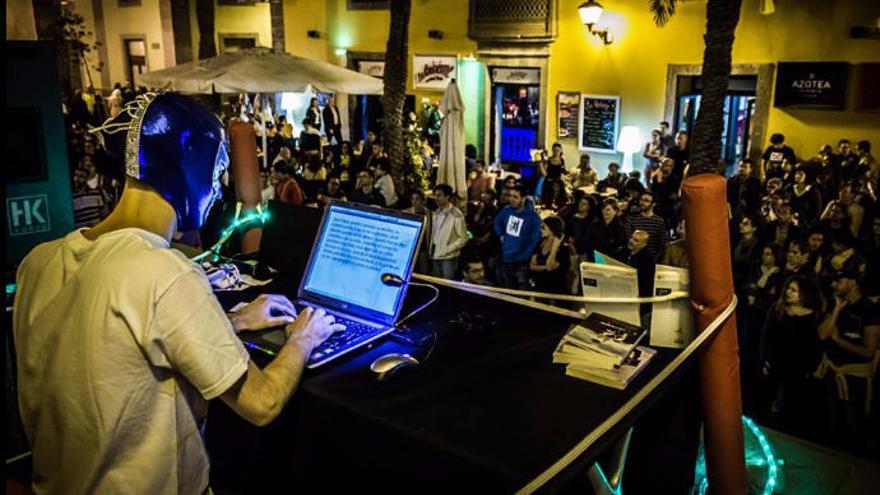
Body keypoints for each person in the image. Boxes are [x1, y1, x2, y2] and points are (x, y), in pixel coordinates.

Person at [13, 93, 343, 494]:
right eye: (216, 170)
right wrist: (303, 340)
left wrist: (233, 322)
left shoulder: (38, 262)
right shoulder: (164, 272)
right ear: (192, 168)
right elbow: (262, 404)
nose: (218, 190)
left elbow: (110, 347)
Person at [816, 268, 880, 453]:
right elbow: (822, 334)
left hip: (855, 377)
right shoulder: (834, 304)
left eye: (839, 281)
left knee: (854, 422)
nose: (833, 285)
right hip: (831, 369)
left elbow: (868, 351)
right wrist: (836, 309)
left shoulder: (870, 310)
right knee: (832, 419)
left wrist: (838, 340)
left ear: (852, 282)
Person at [759, 275, 822, 431]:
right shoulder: (777, 309)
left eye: (794, 290)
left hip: (799, 367)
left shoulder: (814, 316)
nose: (788, 292)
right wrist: (766, 359)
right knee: (768, 398)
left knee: (793, 404)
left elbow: (815, 344)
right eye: (788, 288)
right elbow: (767, 335)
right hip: (776, 362)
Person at [494, 184, 542, 290]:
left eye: (515, 197)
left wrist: (524, 255)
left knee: (521, 291)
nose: (511, 199)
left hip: (521, 262)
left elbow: (534, 240)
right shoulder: (506, 210)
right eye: (510, 196)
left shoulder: (533, 218)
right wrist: (501, 234)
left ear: (523, 198)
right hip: (505, 257)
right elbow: (497, 222)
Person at [428, 184, 468, 280]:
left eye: (439, 195)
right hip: (435, 253)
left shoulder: (456, 215)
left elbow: (463, 238)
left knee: (447, 282)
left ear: (447, 197)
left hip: (448, 257)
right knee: (437, 281)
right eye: (435, 195)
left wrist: (448, 248)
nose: (436, 198)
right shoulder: (436, 213)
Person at [576, 197, 628, 262]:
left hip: (610, 259)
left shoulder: (620, 228)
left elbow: (618, 246)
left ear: (615, 211)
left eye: (608, 210)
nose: (605, 212)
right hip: (593, 257)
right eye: (603, 209)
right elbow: (586, 240)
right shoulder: (595, 224)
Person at [625, 192, 668, 262]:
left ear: (654, 204)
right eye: (641, 199)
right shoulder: (631, 219)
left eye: (646, 201)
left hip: (653, 260)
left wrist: (656, 260)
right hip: (634, 260)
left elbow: (662, 244)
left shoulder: (659, 221)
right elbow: (628, 240)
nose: (642, 202)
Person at [530, 216, 568, 294]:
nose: (540, 230)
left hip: (555, 290)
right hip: (539, 287)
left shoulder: (563, 248)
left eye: (543, 227)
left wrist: (554, 247)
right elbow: (532, 266)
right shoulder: (540, 243)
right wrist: (545, 268)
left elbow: (550, 266)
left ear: (552, 229)